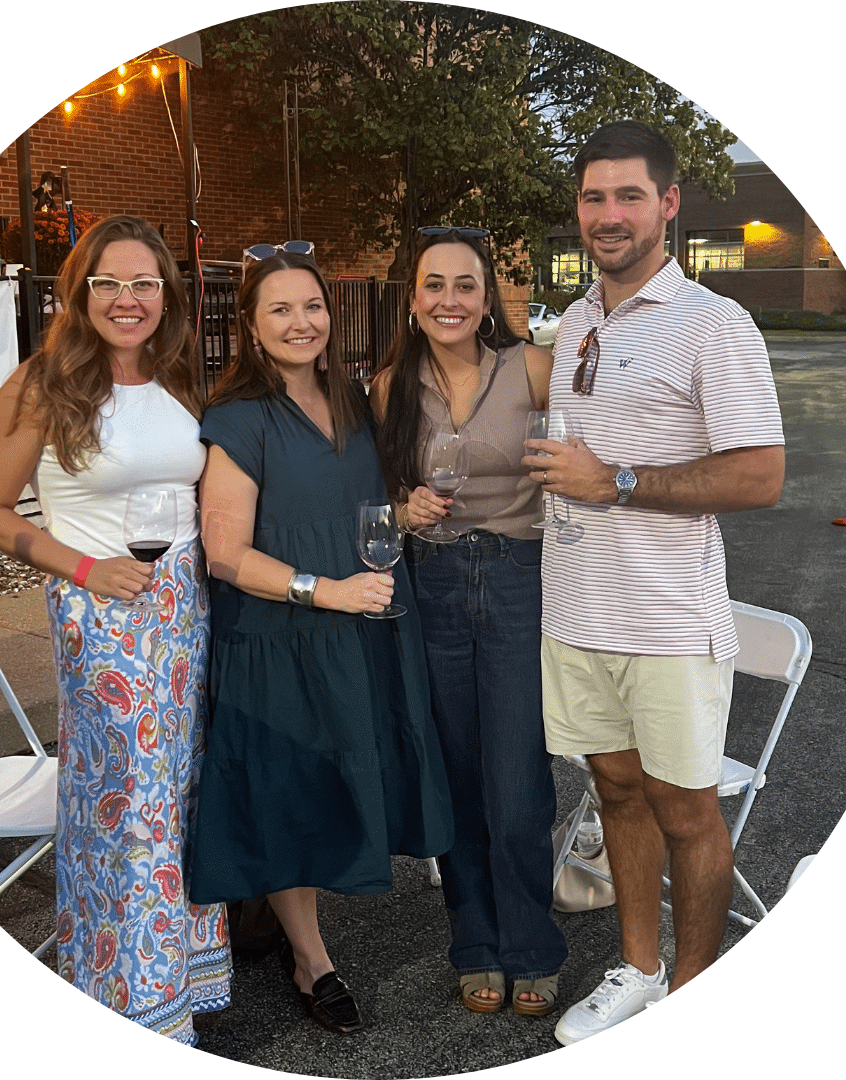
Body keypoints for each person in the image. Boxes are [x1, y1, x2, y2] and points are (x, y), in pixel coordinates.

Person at [522, 120, 786, 1044]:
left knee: (687, 812)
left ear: (668, 204)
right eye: (593, 197)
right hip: (576, 611)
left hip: (668, 620)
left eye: (629, 196)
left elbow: (761, 475)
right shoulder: (578, 320)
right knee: (616, 793)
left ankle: (692, 997)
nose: (608, 215)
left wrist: (619, 482)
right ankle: (636, 971)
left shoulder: (716, 323)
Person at [0, 215, 231, 1046]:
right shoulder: (42, 384)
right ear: (78, 293)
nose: (127, 299)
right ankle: (131, 1000)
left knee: (179, 795)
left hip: (185, 613)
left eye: (144, 283)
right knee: (127, 808)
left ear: (167, 295)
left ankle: (179, 978)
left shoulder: (176, 374)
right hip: (102, 616)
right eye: (108, 283)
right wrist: (83, 569)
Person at [187, 248, 454, 1035]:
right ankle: (312, 959)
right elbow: (225, 554)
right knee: (292, 792)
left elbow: (359, 506)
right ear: (250, 325)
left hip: (361, 625)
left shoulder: (353, 400)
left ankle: (270, 923)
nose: (301, 322)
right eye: (279, 309)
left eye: (312, 306)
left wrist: (406, 513)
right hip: (283, 634)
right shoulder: (237, 419)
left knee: (343, 776)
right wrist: (324, 590)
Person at [371, 226, 569, 1017]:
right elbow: (374, 501)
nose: (449, 299)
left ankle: (531, 945)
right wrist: (403, 508)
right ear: (413, 300)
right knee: (454, 774)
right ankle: (475, 943)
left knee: (516, 778)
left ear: (488, 301)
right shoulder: (388, 387)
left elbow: (587, 450)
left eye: (465, 285)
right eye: (434, 285)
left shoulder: (533, 368)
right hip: (435, 581)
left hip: (520, 577)